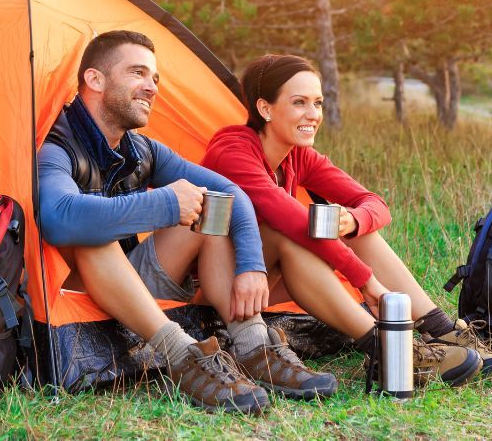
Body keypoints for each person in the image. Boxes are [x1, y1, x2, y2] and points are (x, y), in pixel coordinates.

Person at [35, 32, 337, 414]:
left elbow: (231, 193)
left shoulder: (140, 149)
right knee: (92, 234)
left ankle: (253, 345)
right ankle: (182, 357)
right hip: (73, 296)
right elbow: (58, 218)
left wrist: (250, 265)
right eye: (138, 73)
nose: (151, 87)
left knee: (212, 207)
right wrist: (161, 203)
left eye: (155, 78)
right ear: (95, 80)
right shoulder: (56, 147)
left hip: (129, 284)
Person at [201, 54, 492, 387]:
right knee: (292, 234)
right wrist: (366, 281)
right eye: (299, 102)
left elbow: (375, 204)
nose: (313, 114)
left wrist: (353, 220)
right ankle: (392, 349)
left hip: (261, 279)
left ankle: (442, 331)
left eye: (318, 102)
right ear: (265, 109)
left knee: (355, 230)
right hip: (217, 282)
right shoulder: (233, 150)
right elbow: (291, 220)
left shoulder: (297, 155)